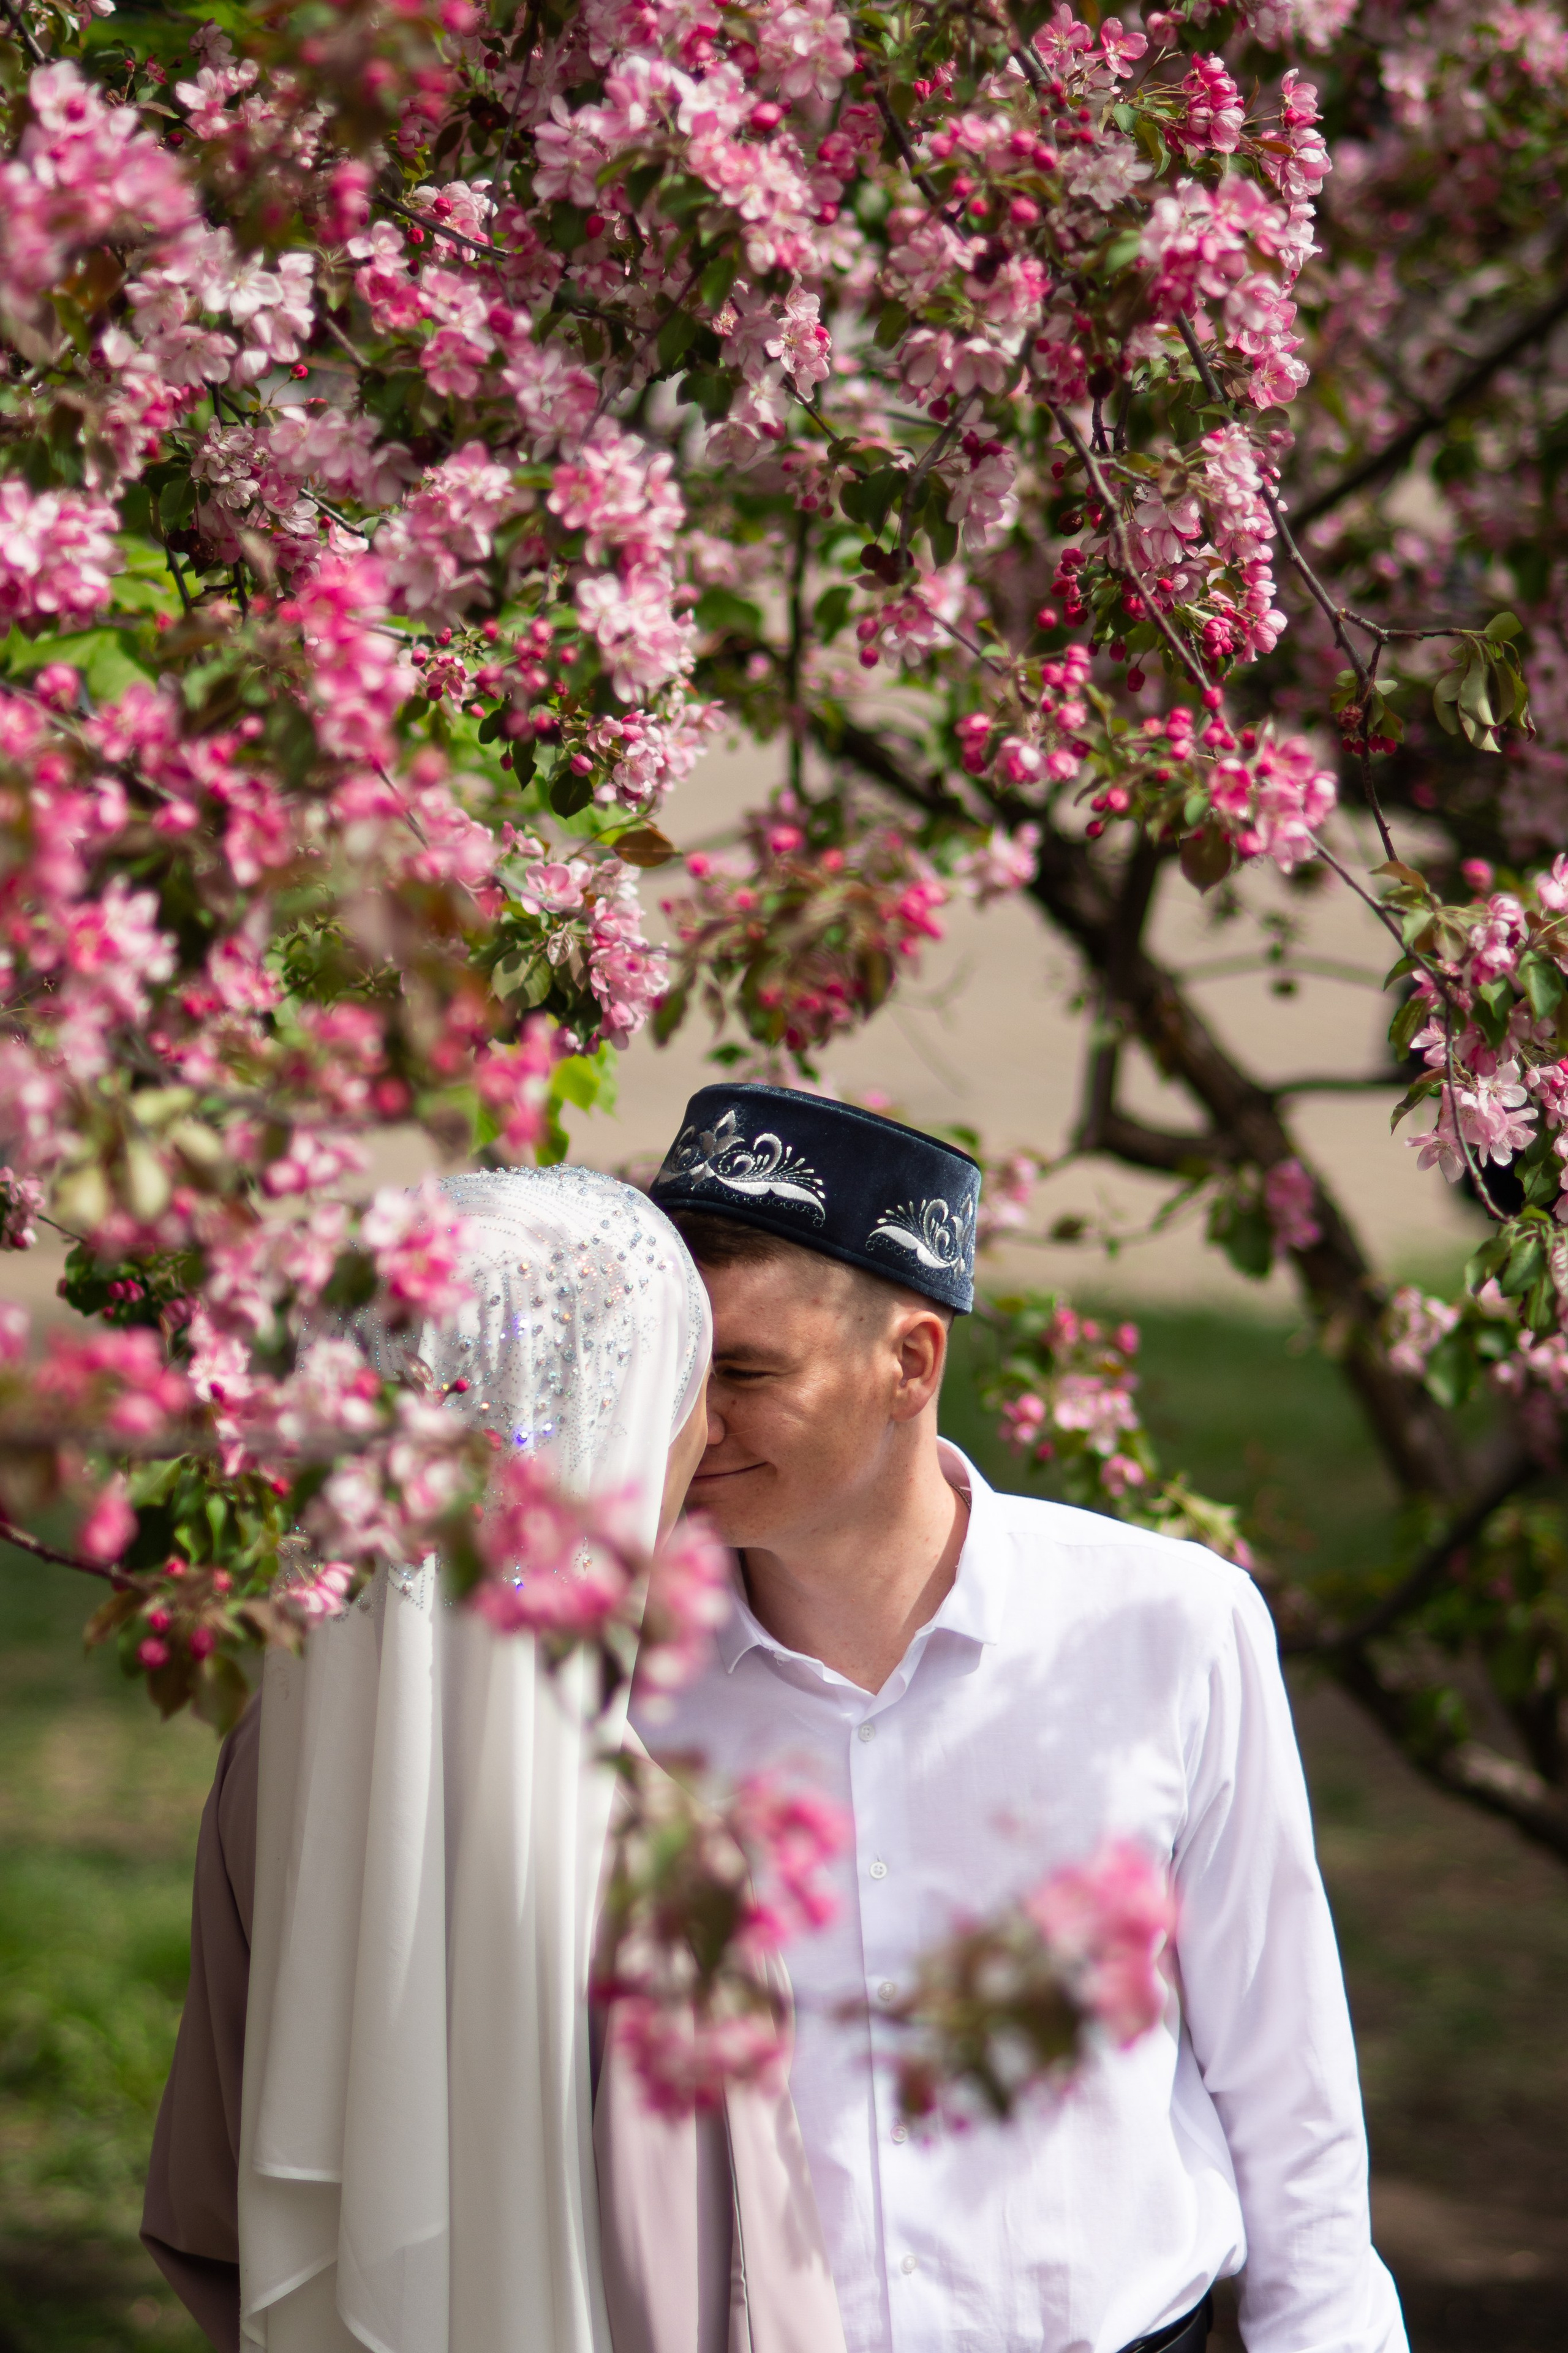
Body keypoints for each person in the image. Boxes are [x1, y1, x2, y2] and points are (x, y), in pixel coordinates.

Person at [643, 1082, 1409, 2353]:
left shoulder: (1169, 1623)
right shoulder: (617, 1676)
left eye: (746, 1372)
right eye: (677, 1373)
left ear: (908, 1361)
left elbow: (1288, 2090)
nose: (694, 1424)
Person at [143, 1165, 778, 2353]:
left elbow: (204, 2206)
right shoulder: (650, 1851)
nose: (705, 1426)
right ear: (614, 1420)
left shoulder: (270, 1765)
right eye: (686, 1383)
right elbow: (725, 2288)